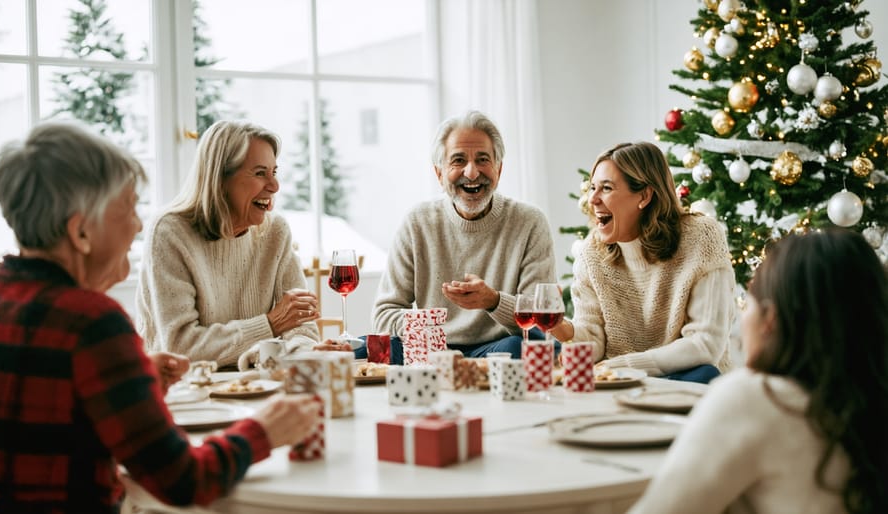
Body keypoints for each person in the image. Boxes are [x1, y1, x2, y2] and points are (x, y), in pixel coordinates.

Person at [0, 121, 320, 512]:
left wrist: (134, 377)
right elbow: (183, 480)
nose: (138, 225)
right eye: (128, 207)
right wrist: (264, 431)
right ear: (81, 233)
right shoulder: (93, 325)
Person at [629, 229, 888, 514]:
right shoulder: (868, 401)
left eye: (748, 302)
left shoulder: (756, 398)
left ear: (770, 319)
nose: (742, 318)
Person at [136, 120, 349, 369]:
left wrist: (307, 353)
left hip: (258, 382)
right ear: (220, 179)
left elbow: (300, 327)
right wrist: (270, 325)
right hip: (186, 387)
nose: (274, 186)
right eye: (260, 173)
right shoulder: (170, 232)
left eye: (274, 172)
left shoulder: (275, 231)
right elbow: (180, 346)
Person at [357, 110, 557, 364]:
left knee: (521, 348)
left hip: (498, 350)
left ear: (499, 169)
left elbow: (539, 322)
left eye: (483, 159)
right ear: (439, 174)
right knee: (364, 348)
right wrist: (432, 333)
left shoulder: (530, 222)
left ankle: (461, 367)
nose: (472, 173)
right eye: (458, 160)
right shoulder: (417, 222)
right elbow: (384, 314)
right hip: (430, 349)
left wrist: (493, 301)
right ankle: (457, 366)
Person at [548, 142, 734, 383]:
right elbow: (593, 338)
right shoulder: (590, 253)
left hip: (681, 376)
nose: (592, 199)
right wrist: (563, 329)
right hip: (618, 381)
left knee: (705, 373)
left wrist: (623, 366)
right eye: (593, 187)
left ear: (644, 196)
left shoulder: (701, 237)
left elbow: (705, 344)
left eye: (606, 188)